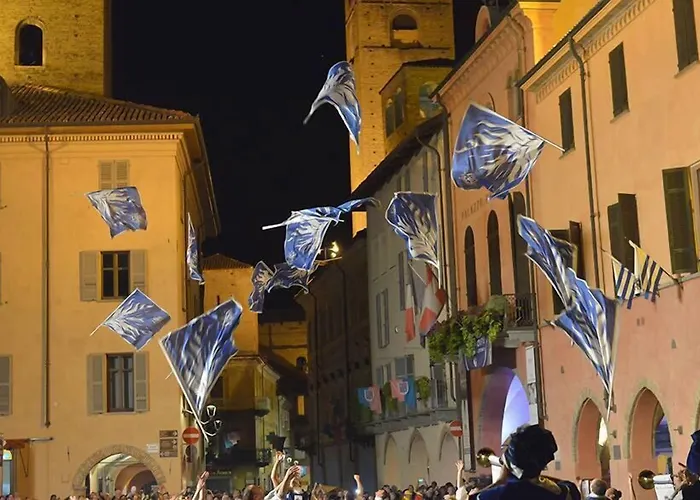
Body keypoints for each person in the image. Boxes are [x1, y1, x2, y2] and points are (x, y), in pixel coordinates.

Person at [468, 424, 581, 500]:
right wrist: (534, 477)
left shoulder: (501, 494)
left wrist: (499, 482)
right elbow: (567, 486)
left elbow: (474, 498)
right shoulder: (565, 491)